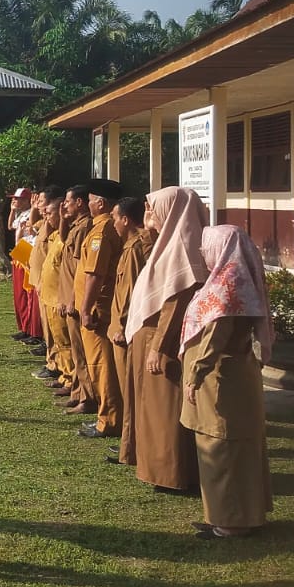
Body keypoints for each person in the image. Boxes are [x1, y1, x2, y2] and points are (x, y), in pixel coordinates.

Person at [182, 224, 275, 538]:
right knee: (235, 450)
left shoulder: (227, 288)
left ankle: (231, 522)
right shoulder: (234, 280)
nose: (201, 251)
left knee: (222, 450)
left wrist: (194, 375)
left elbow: (214, 339)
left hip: (221, 379)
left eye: (205, 246)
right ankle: (234, 515)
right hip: (234, 376)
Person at [126, 187, 207, 493]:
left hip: (166, 340)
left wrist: (159, 346)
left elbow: (175, 303)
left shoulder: (185, 247)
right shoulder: (168, 241)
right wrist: (149, 227)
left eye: (155, 208)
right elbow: (150, 260)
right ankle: (153, 467)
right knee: (150, 408)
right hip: (150, 335)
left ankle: (171, 474)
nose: (151, 214)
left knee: (165, 412)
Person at [74, 179, 124, 438]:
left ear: (101, 203)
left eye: (91, 199)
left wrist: (85, 308)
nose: (89, 203)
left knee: (103, 366)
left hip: (98, 309)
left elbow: (95, 273)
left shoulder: (102, 231)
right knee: (101, 365)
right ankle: (108, 413)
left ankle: (110, 419)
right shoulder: (102, 227)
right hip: (98, 306)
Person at [107, 194, 153, 465]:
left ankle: (133, 448)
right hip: (125, 326)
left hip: (126, 329)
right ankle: (131, 444)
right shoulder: (134, 245)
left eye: (115, 218)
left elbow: (130, 291)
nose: (113, 224)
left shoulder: (136, 249)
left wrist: (121, 326)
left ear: (126, 219)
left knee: (131, 392)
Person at [57, 185, 95, 415]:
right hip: (68, 294)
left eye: (68, 202)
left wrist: (71, 299)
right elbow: (64, 240)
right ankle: (78, 391)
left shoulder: (85, 228)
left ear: (79, 202)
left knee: (81, 352)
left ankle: (87, 398)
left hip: (75, 296)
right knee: (75, 350)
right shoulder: (75, 226)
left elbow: (81, 268)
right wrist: (62, 218)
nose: (65, 206)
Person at [34, 192, 74, 388]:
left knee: (65, 342)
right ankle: (63, 373)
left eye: (50, 212)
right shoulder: (55, 235)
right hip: (48, 296)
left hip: (59, 297)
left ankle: (69, 379)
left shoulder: (66, 236)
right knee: (57, 340)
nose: (46, 215)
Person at [8, 188, 44, 348]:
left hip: (28, 254)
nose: (14, 201)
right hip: (20, 254)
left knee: (29, 295)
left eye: (17, 199)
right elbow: (10, 227)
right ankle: (24, 327)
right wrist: (11, 210)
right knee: (20, 295)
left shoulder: (32, 213)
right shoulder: (20, 214)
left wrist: (35, 209)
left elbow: (32, 228)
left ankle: (33, 330)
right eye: (13, 199)